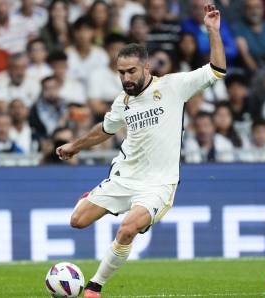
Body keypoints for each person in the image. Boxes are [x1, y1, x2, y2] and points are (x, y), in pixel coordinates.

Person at [55, 4, 226, 297]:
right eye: (121, 72)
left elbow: (217, 70)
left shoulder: (174, 86)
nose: (126, 78)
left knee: (126, 230)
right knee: (76, 222)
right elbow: (104, 130)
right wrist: (74, 146)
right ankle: (95, 196)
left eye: (131, 71)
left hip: (158, 183)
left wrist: (212, 31)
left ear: (146, 68)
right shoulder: (123, 102)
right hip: (125, 176)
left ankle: (94, 287)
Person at [180, 0, 238, 65]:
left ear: (211, 9)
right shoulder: (187, 25)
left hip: (226, 66)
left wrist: (209, 50)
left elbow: (233, 51)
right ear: (191, 9)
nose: (199, 12)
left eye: (203, 8)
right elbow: (195, 50)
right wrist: (220, 47)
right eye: (195, 8)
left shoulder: (221, 23)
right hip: (198, 66)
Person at [88, 33, 127, 123]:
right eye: (114, 49)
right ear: (106, 51)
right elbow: (96, 107)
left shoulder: (135, 74)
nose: (118, 54)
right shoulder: (96, 74)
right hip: (105, 120)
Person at [232, 0, 265, 73]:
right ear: (244, 10)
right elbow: (244, 54)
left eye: (257, 7)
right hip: (249, 69)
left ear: (263, 9)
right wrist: (258, 73)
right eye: (249, 8)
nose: (254, 11)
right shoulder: (238, 27)